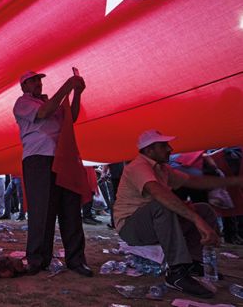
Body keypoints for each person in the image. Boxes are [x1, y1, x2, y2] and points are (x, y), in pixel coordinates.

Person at [114, 130, 243, 299]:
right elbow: (159, 194)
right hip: (131, 228)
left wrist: (233, 181)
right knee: (164, 205)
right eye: (164, 146)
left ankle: (193, 263)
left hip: (153, 222)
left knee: (203, 209)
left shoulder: (163, 169)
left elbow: (194, 181)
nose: (170, 149)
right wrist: (196, 220)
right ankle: (177, 273)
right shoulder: (138, 167)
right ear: (149, 150)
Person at [13, 70, 92, 277]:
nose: (38, 83)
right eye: (32, 81)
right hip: (38, 158)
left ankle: (76, 260)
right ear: (24, 87)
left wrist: (77, 93)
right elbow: (44, 113)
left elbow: (71, 117)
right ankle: (37, 259)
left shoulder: (51, 102)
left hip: (63, 157)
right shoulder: (22, 103)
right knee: (42, 210)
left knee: (70, 208)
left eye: (39, 80)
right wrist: (68, 86)